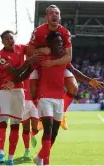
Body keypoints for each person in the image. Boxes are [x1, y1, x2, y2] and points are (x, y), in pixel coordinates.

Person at [0, 30, 39, 165]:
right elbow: (15, 72)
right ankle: (0, 152)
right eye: (6, 39)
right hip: (5, 91)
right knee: (3, 121)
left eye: (11, 38)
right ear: (2, 42)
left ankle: (10, 158)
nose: (10, 40)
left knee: (15, 125)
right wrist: (29, 61)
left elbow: (32, 47)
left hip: (19, 91)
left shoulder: (21, 48)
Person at [28, 4, 75, 130]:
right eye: (51, 13)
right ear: (46, 17)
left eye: (57, 13)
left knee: (73, 87)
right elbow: (29, 50)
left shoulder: (65, 32)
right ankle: (41, 117)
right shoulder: (38, 31)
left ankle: (62, 113)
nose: (54, 15)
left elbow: (69, 57)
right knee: (32, 90)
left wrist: (53, 63)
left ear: (59, 17)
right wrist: (42, 50)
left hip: (58, 65)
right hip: (41, 66)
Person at [32, 31, 68, 165]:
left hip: (59, 99)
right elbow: (30, 66)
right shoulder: (41, 57)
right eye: (57, 42)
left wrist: (89, 81)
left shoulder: (64, 58)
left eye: (61, 42)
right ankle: (46, 162)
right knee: (48, 130)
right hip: (45, 97)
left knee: (54, 133)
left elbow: (73, 70)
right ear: (49, 44)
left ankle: (40, 157)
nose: (60, 44)